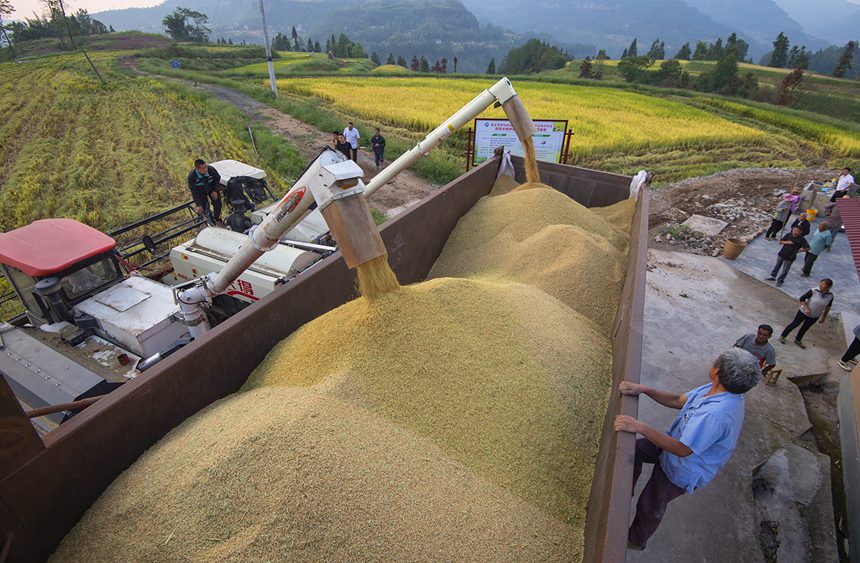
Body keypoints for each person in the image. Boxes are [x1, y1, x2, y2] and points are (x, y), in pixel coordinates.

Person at [615, 348, 761, 551]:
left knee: (651, 503)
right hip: (673, 442)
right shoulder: (715, 389)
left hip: (682, 468)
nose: (712, 362)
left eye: (714, 362)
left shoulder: (717, 415)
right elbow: (679, 400)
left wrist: (640, 426)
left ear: (717, 372)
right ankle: (623, 490)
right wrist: (645, 390)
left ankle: (636, 540)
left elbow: (683, 450)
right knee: (637, 450)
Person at [779, 278, 834, 348]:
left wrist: (823, 317)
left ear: (828, 287)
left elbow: (828, 307)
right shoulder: (814, 291)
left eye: (824, 284)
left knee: (805, 328)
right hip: (803, 312)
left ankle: (798, 340)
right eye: (821, 283)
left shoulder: (830, 296)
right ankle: (783, 336)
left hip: (815, 315)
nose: (821, 285)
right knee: (794, 324)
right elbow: (802, 299)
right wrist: (806, 308)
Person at [187, 159, 222, 224]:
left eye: (206, 167)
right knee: (203, 207)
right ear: (197, 169)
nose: (205, 169)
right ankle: (208, 222)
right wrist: (198, 204)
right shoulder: (192, 176)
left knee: (217, 203)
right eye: (203, 168)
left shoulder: (211, 170)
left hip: (211, 187)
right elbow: (194, 192)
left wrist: (215, 190)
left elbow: (217, 179)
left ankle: (217, 219)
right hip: (200, 190)